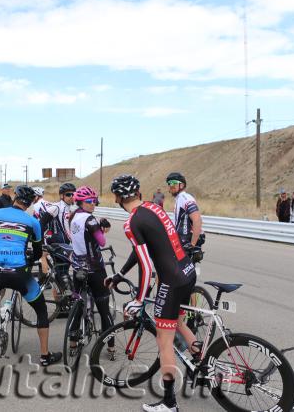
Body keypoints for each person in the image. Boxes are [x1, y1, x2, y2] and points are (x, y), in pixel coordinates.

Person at [106, 175, 197, 412]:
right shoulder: (153, 208)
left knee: (163, 341)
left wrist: (138, 300)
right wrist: (121, 273)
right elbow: (143, 250)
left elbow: (146, 266)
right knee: (176, 321)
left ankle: (169, 403)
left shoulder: (132, 223)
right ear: (138, 193)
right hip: (187, 271)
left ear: (117, 198)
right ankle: (204, 363)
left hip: (172, 280)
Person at [0, 185, 62, 366]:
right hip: (20, 274)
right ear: (30, 203)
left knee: (0, 283)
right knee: (42, 310)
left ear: (15, 197)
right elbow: (37, 253)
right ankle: (45, 356)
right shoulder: (32, 222)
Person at [68, 186, 114, 355]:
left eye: (94, 201)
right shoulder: (90, 219)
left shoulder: (73, 217)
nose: (93, 204)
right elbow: (101, 242)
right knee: (104, 309)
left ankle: (72, 343)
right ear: (81, 202)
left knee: (78, 305)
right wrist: (104, 230)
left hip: (78, 267)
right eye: (89, 201)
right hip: (95, 269)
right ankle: (111, 347)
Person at [166, 172, 205, 256]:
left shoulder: (185, 198)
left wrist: (192, 245)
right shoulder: (179, 199)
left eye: (173, 183)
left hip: (187, 243)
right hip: (182, 241)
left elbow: (197, 220)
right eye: (169, 183)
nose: (170, 185)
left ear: (182, 185)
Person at [32, 186, 56, 273]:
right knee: (51, 256)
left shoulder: (36, 205)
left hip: (45, 233)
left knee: (42, 256)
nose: (31, 199)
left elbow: (36, 222)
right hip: (54, 232)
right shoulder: (48, 203)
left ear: (37, 196)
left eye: (33, 196)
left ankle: (46, 280)